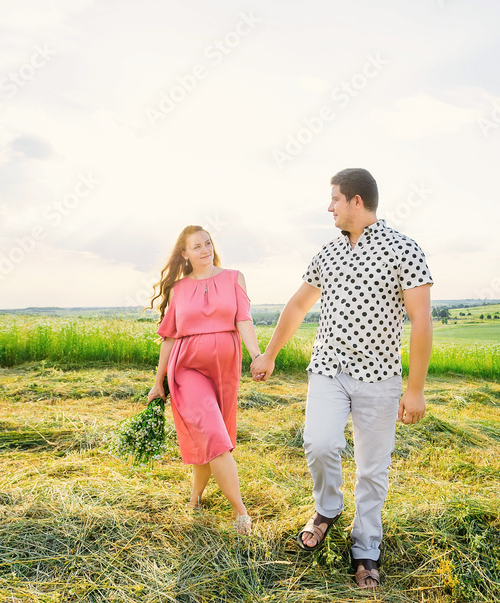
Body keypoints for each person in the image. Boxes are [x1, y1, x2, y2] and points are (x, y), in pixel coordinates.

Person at [250, 168, 433, 589]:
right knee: (319, 442)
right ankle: (327, 507)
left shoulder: (404, 249)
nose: (328, 206)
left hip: (379, 379)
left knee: (372, 469)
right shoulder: (328, 252)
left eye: (334, 198)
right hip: (328, 371)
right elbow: (297, 306)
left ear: (356, 201)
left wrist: (416, 389)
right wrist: (270, 354)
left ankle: (366, 546)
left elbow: (420, 319)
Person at [146, 225, 262, 535]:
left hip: (225, 370)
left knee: (211, 440)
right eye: (196, 246)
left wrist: (256, 355)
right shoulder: (178, 289)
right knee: (213, 435)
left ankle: (195, 499)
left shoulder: (234, 278)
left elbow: (243, 320)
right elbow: (169, 338)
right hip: (187, 369)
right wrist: (159, 381)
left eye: (207, 243)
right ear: (184, 254)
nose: (204, 249)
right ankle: (241, 514)